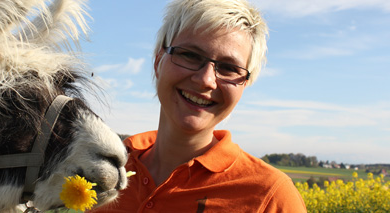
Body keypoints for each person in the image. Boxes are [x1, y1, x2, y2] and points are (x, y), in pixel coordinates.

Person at [90, 0, 307, 212]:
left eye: (229, 68)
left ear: (244, 85)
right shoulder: (106, 169)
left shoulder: (270, 197)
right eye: (190, 55)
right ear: (158, 62)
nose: (206, 80)